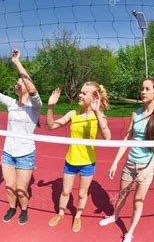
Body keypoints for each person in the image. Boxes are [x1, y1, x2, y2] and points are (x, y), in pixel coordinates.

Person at [99, 78, 154, 242]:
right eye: (142, 88)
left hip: (146, 167)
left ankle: (129, 233)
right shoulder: (135, 113)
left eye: (147, 89)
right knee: (122, 194)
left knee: (138, 200)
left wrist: (149, 168)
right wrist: (115, 162)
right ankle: (114, 216)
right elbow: (127, 138)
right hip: (130, 163)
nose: (143, 91)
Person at [0, 49, 42, 225]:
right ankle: (11, 207)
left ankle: (24, 210)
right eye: (16, 82)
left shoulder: (35, 106)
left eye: (20, 82)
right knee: (10, 188)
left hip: (26, 154)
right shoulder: (11, 103)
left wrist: (17, 62)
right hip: (8, 153)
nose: (18, 84)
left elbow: (32, 89)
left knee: (21, 189)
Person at [46, 84, 111, 232]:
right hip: (71, 160)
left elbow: (108, 137)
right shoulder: (73, 113)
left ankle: (77, 217)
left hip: (88, 163)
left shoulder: (98, 116)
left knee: (82, 193)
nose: (80, 95)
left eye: (84, 93)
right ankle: (60, 213)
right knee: (65, 191)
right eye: (80, 92)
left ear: (94, 97)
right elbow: (50, 126)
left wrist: (97, 112)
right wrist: (50, 107)